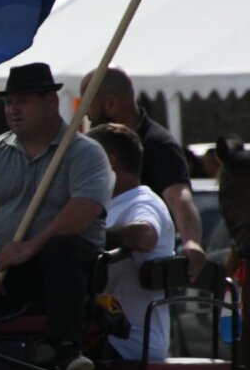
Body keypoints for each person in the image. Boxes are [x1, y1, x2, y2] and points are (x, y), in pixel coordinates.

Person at [0, 63, 112, 370]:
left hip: (63, 271)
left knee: (63, 248)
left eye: (22, 102)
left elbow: (85, 208)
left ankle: (64, 349)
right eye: (8, 103)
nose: (13, 110)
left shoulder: (85, 152)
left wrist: (31, 247)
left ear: (50, 103)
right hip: (3, 265)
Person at [80, 67, 205, 281]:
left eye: (88, 106)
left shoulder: (158, 144)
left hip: (146, 269)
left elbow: (180, 199)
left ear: (110, 104)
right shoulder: (95, 144)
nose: (87, 116)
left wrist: (191, 241)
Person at [87, 124, 175, 362]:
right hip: (108, 334)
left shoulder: (142, 202)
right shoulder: (110, 204)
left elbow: (145, 236)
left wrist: (93, 238)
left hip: (129, 342)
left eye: (86, 160)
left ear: (108, 161)